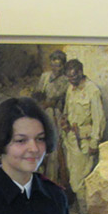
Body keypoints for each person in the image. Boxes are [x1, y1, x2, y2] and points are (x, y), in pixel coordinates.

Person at [60, 59, 106, 214]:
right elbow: (67, 110)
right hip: (71, 139)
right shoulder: (70, 89)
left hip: (84, 141)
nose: (71, 80)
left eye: (73, 76)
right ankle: (81, 207)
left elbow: (99, 119)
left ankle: (85, 212)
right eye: (68, 77)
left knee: (80, 179)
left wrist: (94, 142)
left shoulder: (92, 91)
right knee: (73, 176)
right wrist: (64, 122)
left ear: (80, 72)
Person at [34, 50, 69, 184]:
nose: (55, 68)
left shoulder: (65, 81)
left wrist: (48, 103)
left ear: (63, 66)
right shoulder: (45, 76)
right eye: (53, 65)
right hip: (43, 114)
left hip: (55, 115)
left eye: (58, 66)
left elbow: (57, 100)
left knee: (54, 148)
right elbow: (38, 93)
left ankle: (52, 180)